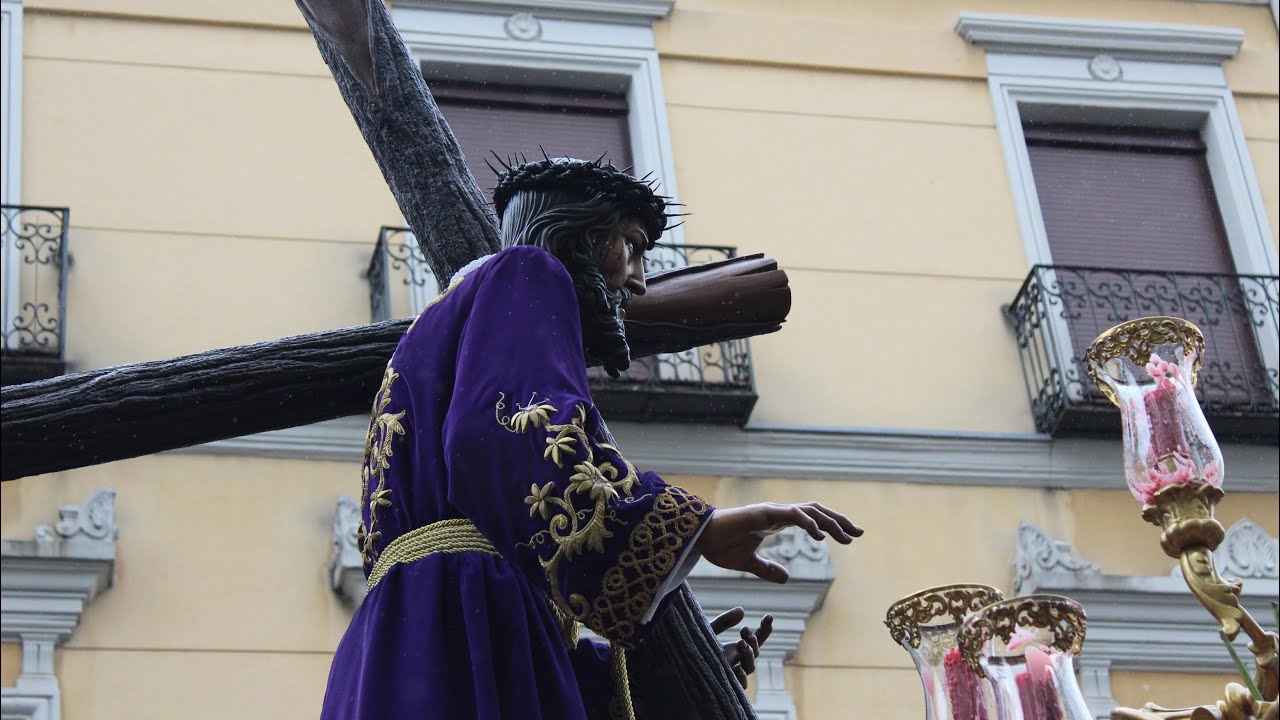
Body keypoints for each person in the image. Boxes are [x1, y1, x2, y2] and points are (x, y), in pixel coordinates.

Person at [295, 3, 863, 718]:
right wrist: (696, 531)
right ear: (575, 236)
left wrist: (648, 683)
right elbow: (505, 433)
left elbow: (518, 626)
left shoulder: (438, 338)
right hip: (460, 627)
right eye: (631, 245)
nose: (639, 280)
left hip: (414, 645)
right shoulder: (529, 273)